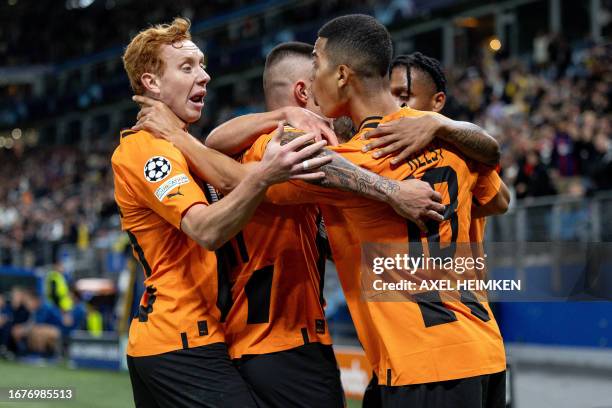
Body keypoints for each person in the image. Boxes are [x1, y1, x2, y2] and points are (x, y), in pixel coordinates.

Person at [262, 15, 508, 407]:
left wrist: (178, 139)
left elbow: (241, 178)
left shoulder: (357, 157)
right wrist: (439, 124)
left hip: (423, 365)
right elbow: (499, 199)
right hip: (484, 353)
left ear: (342, 75)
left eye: (318, 63)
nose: (313, 77)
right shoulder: (453, 139)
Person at [113, 18, 331, 408]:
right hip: (177, 341)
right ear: (151, 83)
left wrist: (281, 122)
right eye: (188, 67)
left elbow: (237, 177)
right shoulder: (146, 149)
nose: (205, 76)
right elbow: (206, 229)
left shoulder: (184, 148)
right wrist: (267, 171)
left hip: (200, 336)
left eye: (202, 64)